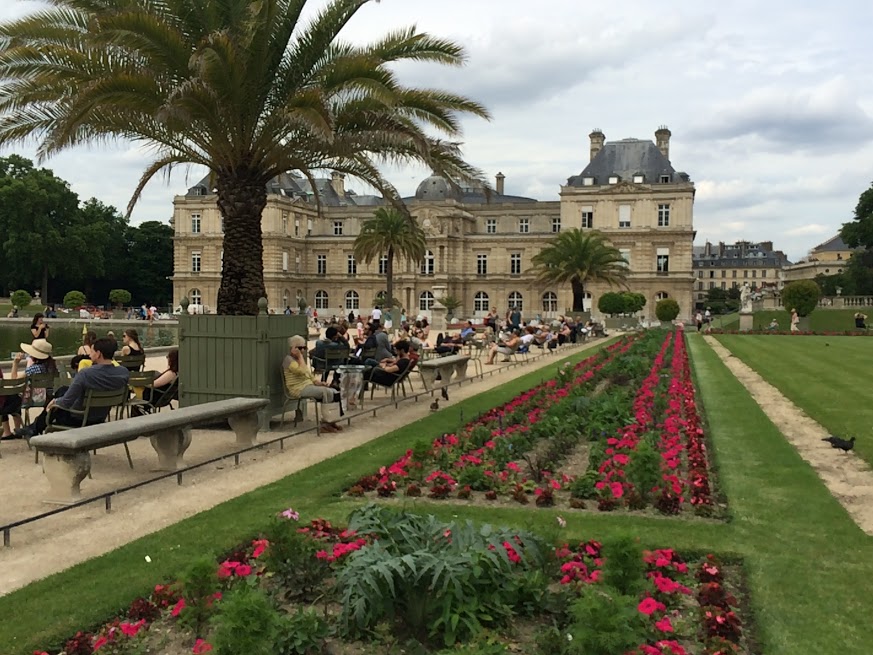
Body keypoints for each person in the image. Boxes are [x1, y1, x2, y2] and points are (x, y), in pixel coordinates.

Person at [13, 338, 129, 439]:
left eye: (92, 351)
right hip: (100, 416)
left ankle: (34, 428)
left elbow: (66, 403)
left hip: (79, 418)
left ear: (98, 354)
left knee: (56, 404)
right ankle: (33, 427)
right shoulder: (123, 373)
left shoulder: (86, 374)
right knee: (63, 390)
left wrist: (55, 402)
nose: (89, 354)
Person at [282, 335, 343, 433]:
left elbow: (308, 374)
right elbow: (301, 371)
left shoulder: (300, 361)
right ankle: (325, 424)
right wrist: (300, 357)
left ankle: (331, 420)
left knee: (333, 391)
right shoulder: (288, 360)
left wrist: (318, 382)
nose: (302, 350)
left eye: (303, 348)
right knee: (326, 392)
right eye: (299, 348)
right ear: (292, 348)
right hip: (298, 388)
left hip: (307, 385)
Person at [1, 339, 59, 439]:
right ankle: (16, 428)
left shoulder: (33, 369)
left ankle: (10, 430)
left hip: (31, 400)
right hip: (48, 399)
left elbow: (14, 379)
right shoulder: (53, 368)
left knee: (12, 396)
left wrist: (15, 363)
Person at [133, 349, 179, 415]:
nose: (167, 359)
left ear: (172, 359)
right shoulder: (176, 373)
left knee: (135, 403)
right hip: (161, 397)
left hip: (154, 398)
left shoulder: (171, 374)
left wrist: (142, 383)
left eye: (168, 357)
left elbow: (153, 384)